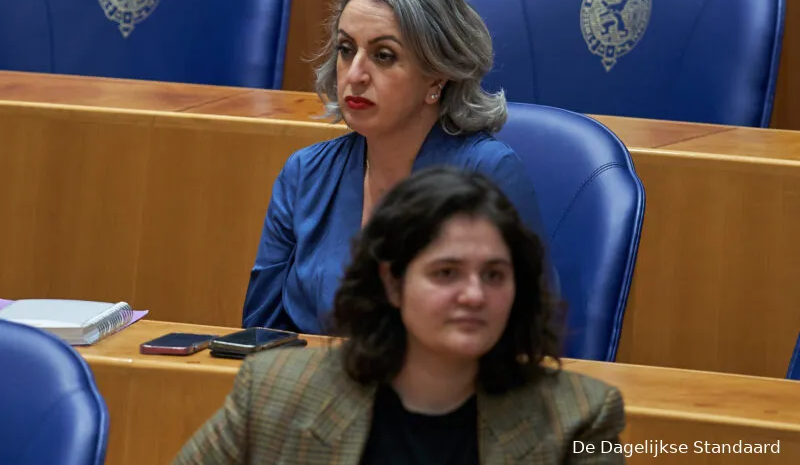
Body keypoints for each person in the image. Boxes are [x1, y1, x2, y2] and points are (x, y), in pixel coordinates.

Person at [174, 168, 625, 465]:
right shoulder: (274, 391)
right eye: (446, 273)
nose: (474, 295)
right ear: (392, 283)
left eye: (494, 274)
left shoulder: (581, 418)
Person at [242, 0, 556, 334]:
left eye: (383, 55)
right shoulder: (305, 174)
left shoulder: (486, 175)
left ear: (436, 76)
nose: (355, 75)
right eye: (346, 49)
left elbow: (528, 333)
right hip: (313, 388)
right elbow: (258, 334)